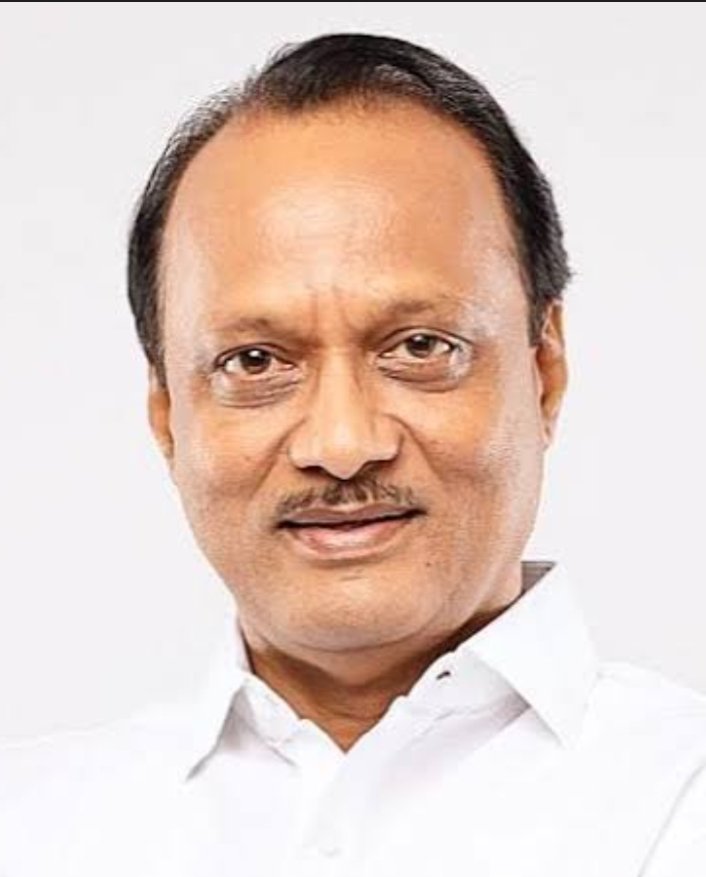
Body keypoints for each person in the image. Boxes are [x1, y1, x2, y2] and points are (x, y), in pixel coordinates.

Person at [1, 31, 704, 877]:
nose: (342, 445)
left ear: (544, 370)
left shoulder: (679, 799)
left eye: (420, 346)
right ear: (166, 413)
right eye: (254, 361)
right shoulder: (31, 827)